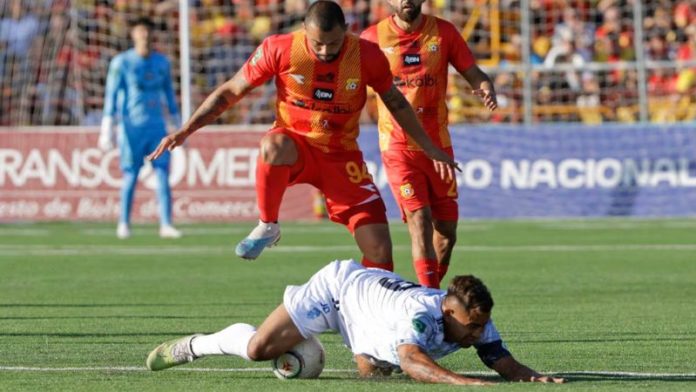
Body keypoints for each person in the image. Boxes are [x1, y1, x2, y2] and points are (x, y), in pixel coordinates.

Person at [148, 1, 456, 269]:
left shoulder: (367, 55)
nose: (324, 51)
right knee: (273, 144)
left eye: (333, 44)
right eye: (317, 43)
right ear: (304, 31)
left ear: (346, 31)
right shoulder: (279, 48)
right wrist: (187, 129)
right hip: (297, 146)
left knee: (379, 250)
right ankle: (268, 225)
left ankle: (365, 316)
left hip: (341, 157)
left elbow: (397, 103)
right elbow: (231, 91)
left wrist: (427, 146)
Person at [145, 260, 564, 385]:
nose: (477, 334)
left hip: (368, 315)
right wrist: (463, 381)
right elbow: (414, 362)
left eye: (481, 326)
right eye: (471, 327)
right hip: (336, 291)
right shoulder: (419, 316)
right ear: (448, 313)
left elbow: (499, 358)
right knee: (258, 350)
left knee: (373, 375)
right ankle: (194, 345)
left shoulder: (475, 317)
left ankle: (358, 350)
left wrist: (530, 377)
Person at [360, 0, 498, 288]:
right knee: (419, 220)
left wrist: (484, 85)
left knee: (446, 233)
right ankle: (429, 300)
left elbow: (472, 71)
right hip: (397, 146)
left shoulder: (444, 33)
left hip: (439, 147)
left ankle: (428, 290)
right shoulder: (372, 38)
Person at [98, 17, 182, 239]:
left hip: (157, 128)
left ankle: (166, 224)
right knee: (130, 175)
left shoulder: (162, 63)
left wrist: (178, 125)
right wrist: (108, 127)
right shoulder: (121, 62)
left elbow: (169, 95)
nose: (144, 35)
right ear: (134, 34)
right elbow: (112, 94)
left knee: (163, 174)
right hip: (131, 129)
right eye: (140, 31)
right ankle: (124, 223)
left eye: (147, 31)